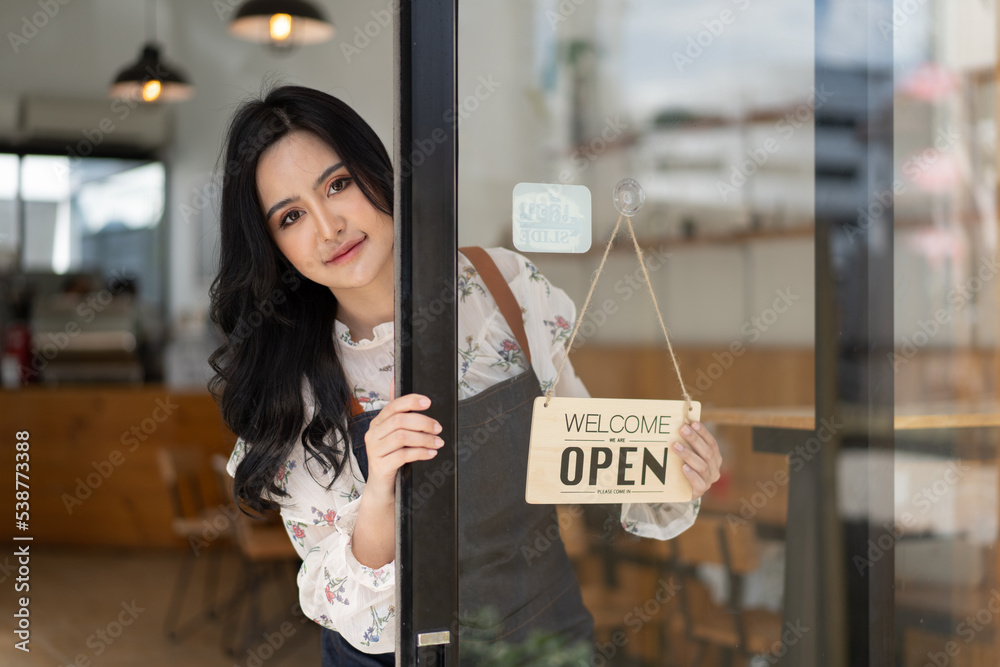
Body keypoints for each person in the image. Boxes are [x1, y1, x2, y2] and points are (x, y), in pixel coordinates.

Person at [208, 84, 723, 666]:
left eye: (338, 184)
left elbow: (581, 447)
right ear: (272, 245)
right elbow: (353, 612)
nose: (328, 226)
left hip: (541, 637)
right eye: (292, 215)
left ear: (377, 172)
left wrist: (672, 469)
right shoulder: (290, 392)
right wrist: (379, 493)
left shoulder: (502, 287)